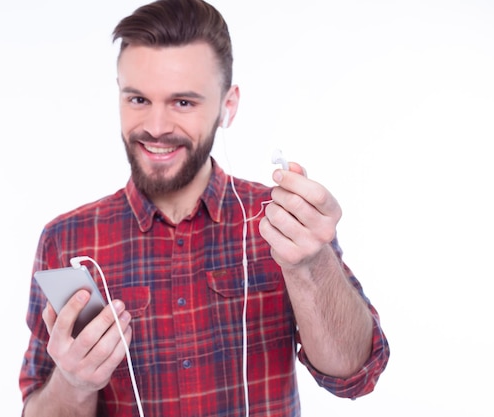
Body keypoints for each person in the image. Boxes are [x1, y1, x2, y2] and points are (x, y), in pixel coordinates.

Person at [19, 0, 390, 416]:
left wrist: (312, 264)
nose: (156, 127)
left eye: (183, 103)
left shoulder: (281, 220)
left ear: (227, 106)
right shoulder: (67, 240)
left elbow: (357, 374)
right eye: (139, 99)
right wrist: (73, 382)